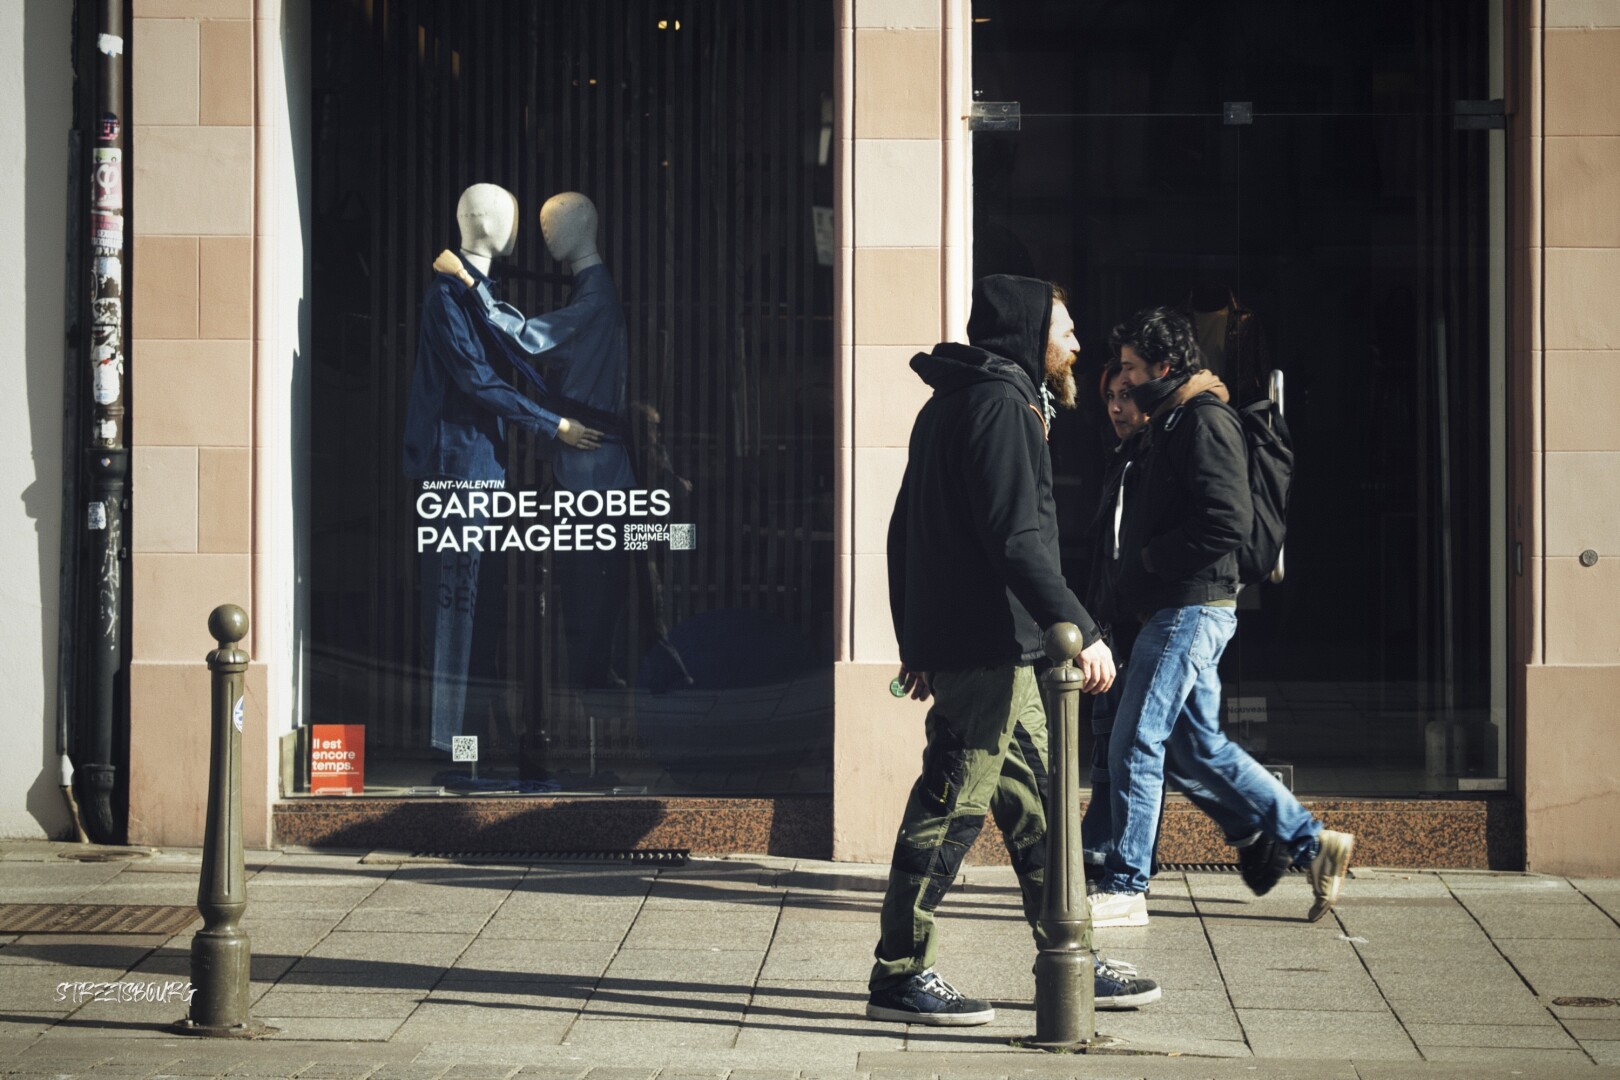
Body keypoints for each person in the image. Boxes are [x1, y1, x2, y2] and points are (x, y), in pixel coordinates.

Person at [868, 275, 1160, 1027]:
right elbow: (1015, 540)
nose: (1075, 344)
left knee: (1042, 807)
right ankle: (901, 972)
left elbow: (906, 532)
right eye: (1063, 327)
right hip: (989, 649)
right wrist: (1084, 630)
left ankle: (1072, 955)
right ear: (1030, 330)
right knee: (952, 805)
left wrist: (917, 639)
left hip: (997, 648)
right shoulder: (1000, 406)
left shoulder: (961, 403)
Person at [1091, 306, 1353, 927]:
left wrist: (1150, 561)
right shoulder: (1175, 419)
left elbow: (1226, 521)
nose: (1124, 382)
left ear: (1164, 364)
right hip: (1180, 605)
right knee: (1197, 749)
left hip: (1188, 606)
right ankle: (1314, 846)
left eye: (1132, 368)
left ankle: (1126, 885)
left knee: (1135, 740)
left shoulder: (1203, 420)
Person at [1077, 362, 1147, 881]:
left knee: (1133, 743)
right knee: (1108, 734)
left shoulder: (1148, 458)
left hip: (1138, 621)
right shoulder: (1119, 458)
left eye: (1127, 395)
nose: (1117, 407)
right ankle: (1101, 839)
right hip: (1111, 620)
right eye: (1110, 398)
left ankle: (1299, 838)